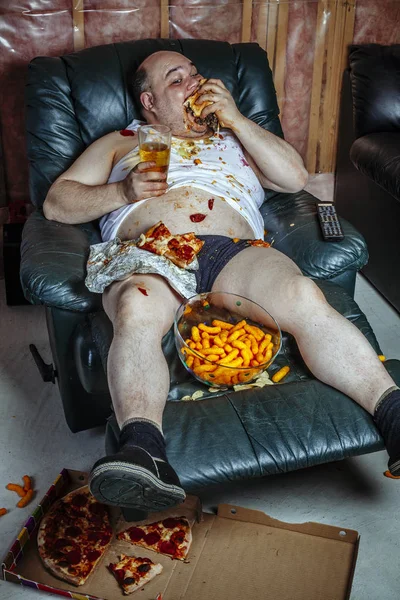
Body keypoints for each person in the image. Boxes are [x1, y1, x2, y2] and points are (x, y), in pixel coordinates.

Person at [43, 50, 400, 511]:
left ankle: (392, 414)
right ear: (149, 100)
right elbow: (57, 202)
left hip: (231, 250)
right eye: (177, 80)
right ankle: (145, 451)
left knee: (300, 293)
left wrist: (235, 117)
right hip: (151, 250)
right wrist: (122, 191)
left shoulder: (235, 136)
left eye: (195, 73)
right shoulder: (122, 141)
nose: (194, 82)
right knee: (135, 310)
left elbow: (294, 178)